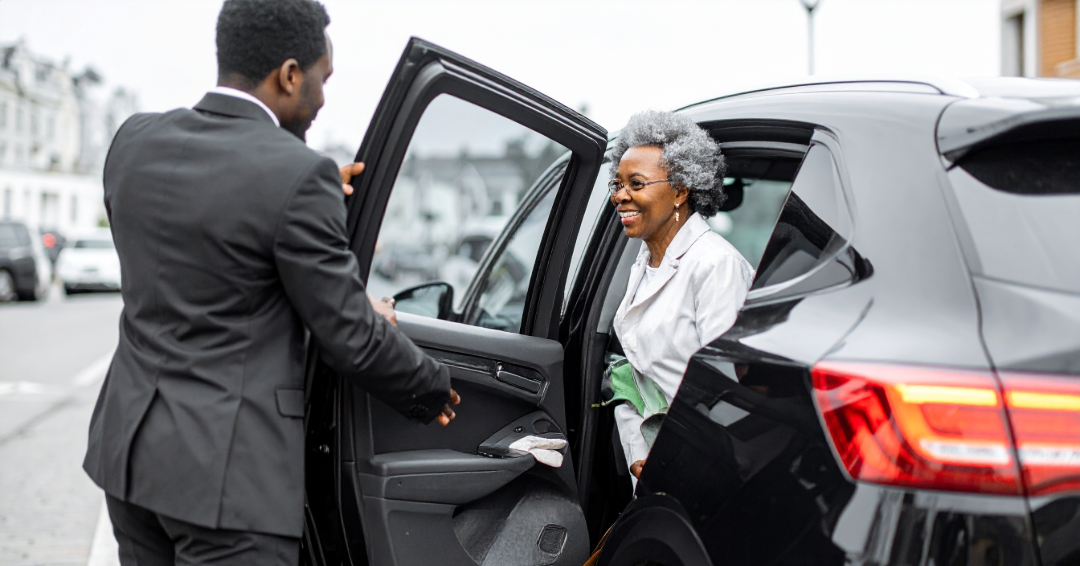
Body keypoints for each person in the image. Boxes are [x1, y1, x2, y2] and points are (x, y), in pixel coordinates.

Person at [82, 1, 458, 564]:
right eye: (322, 79)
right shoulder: (296, 175)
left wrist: (300, 185)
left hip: (130, 462)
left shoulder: (133, 142)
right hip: (227, 485)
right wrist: (429, 386)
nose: (323, 97)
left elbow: (208, 231)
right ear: (288, 74)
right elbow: (350, 333)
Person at [608, 110, 753, 483]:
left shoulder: (715, 266)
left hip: (705, 465)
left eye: (636, 184)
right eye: (617, 183)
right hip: (657, 462)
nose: (619, 197)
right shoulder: (643, 262)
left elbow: (725, 393)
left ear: (680, 190)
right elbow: (637, 375)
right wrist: (641, 455)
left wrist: (675, 458)